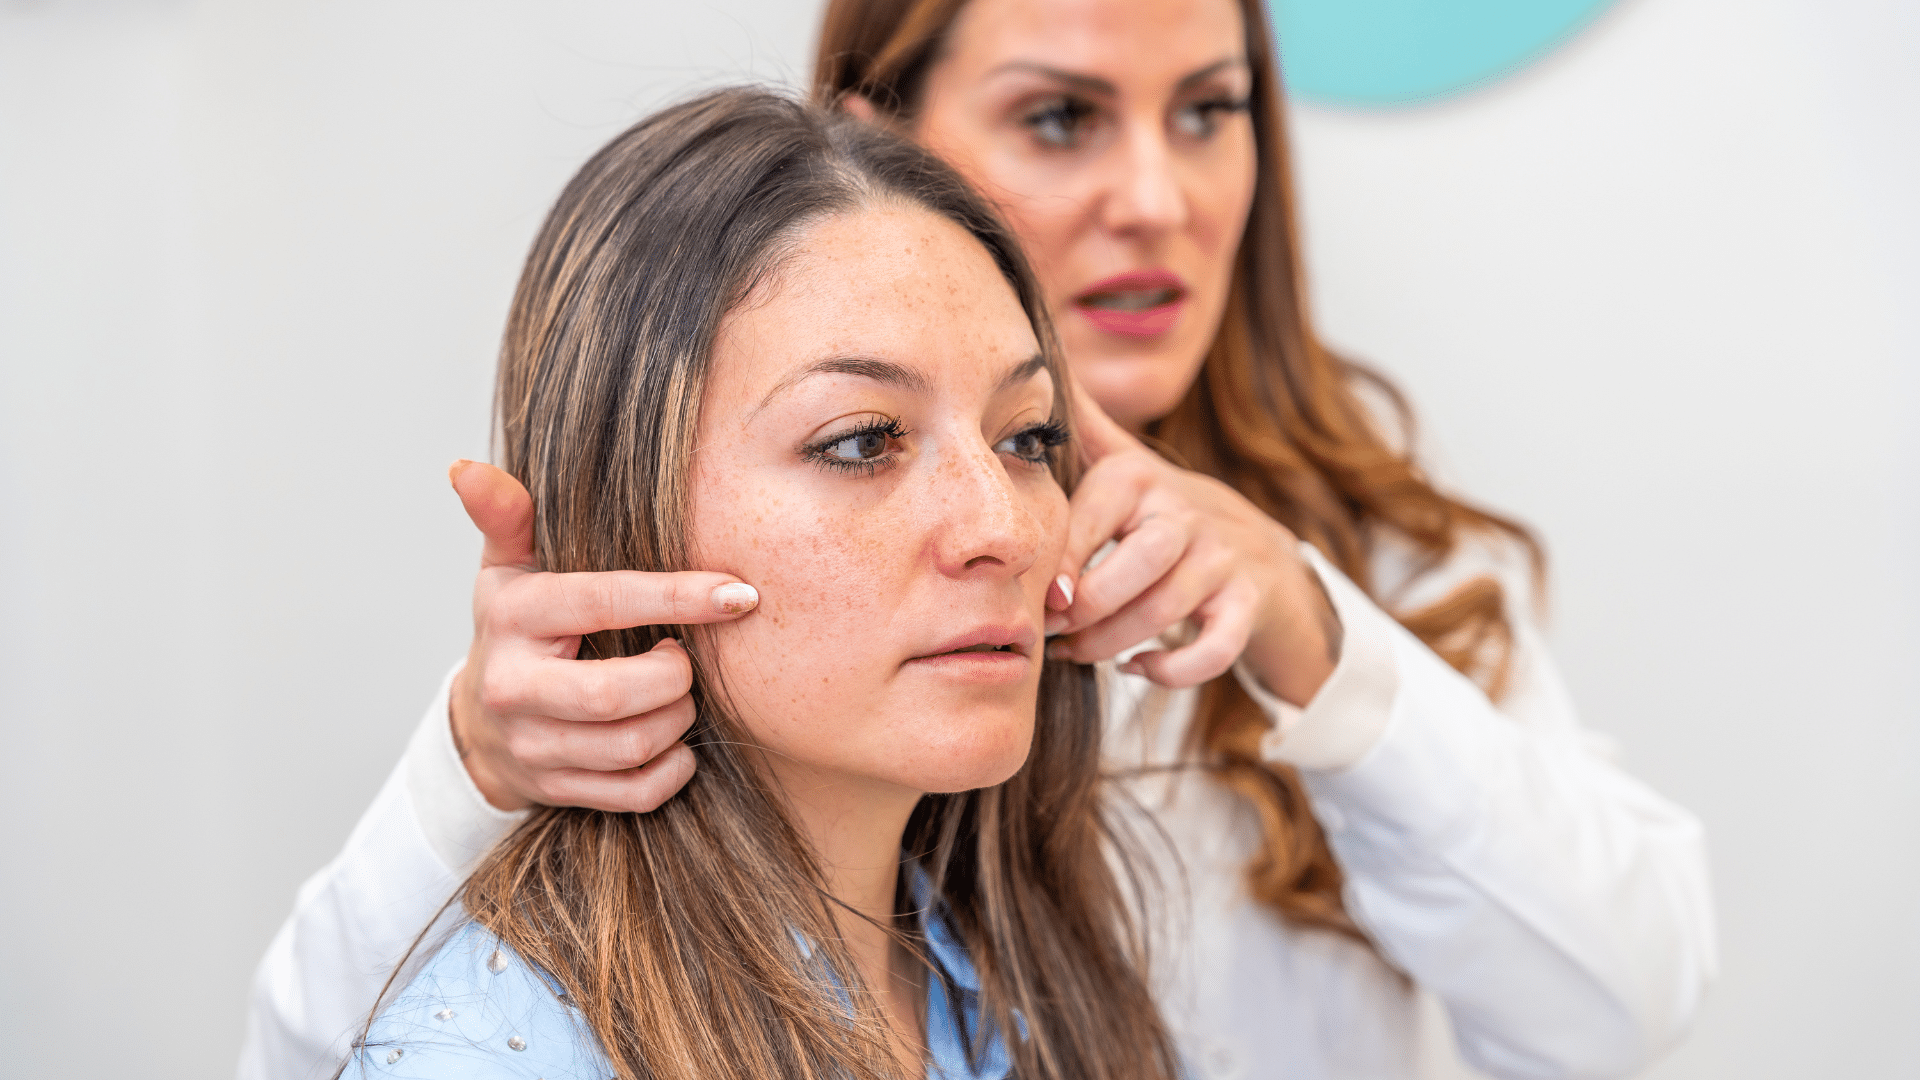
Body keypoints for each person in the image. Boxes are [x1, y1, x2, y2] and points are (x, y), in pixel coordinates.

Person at [241, 1, 1716, 1078]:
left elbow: (1623, 1013)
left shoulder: (978, 973)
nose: (1158, 198)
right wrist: (468, 769)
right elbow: (319, 1050)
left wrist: (1313, 633)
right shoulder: (504, 1017)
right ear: (880, 137)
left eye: (1208, 108)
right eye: (1061, 117)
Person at [337, 87, 1180, 1080]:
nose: (1003, 526)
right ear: (629, 507)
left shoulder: (1037, 982)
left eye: (1027, 437)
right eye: (864, 440)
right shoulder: (487, 1057)